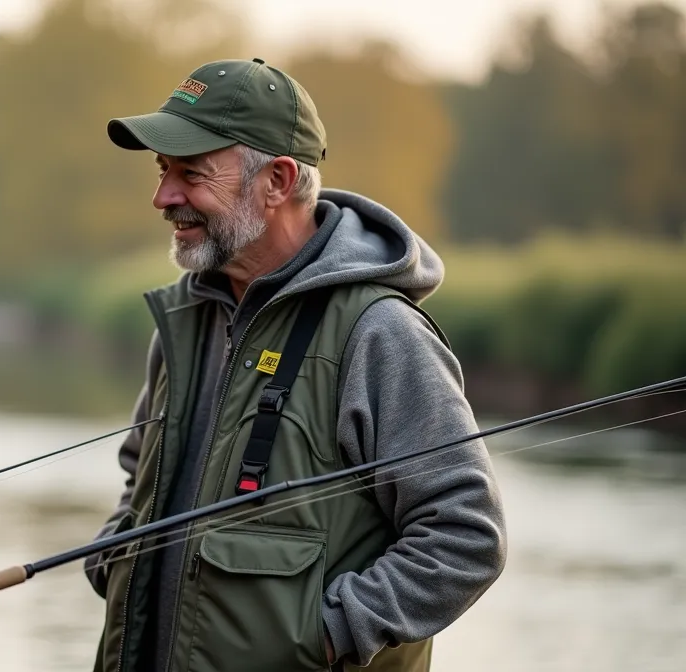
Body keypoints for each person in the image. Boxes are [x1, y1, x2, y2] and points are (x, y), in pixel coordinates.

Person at [83, 59, 507, 672]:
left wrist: (327, 635)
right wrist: (115, 557)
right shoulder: (185, 318)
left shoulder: (379, 332)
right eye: (161, 171)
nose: (163, 196)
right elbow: (138, 476)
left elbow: (466, 536)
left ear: (277, 180)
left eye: (191, 174)